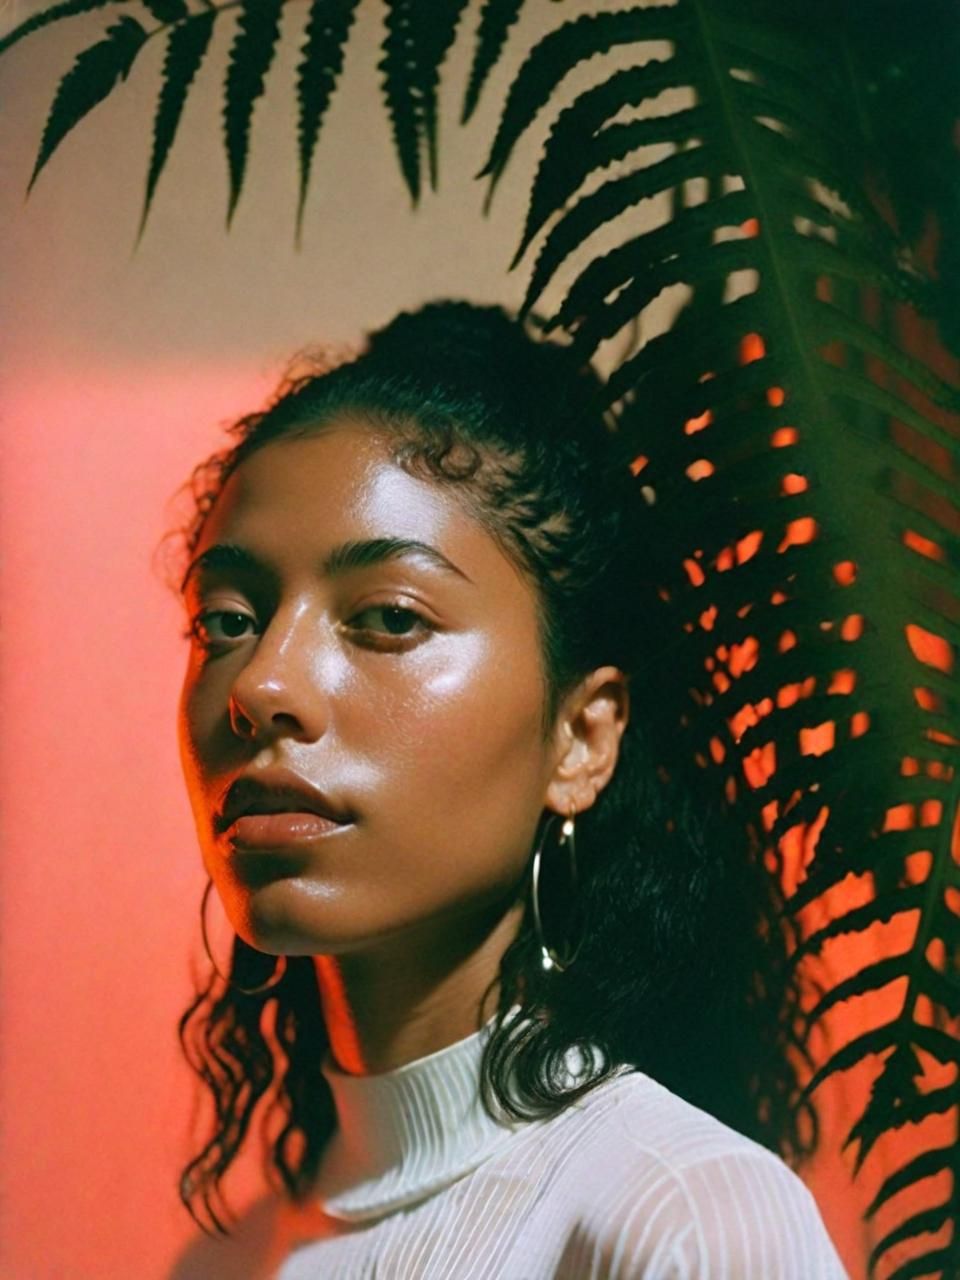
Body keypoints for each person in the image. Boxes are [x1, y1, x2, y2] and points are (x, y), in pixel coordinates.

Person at [165, 299, 850, 1278]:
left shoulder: (686, 1221)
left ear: (581, 736)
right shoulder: (221, 1259)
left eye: (389, 618)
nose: (264, 684)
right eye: (227, 621)